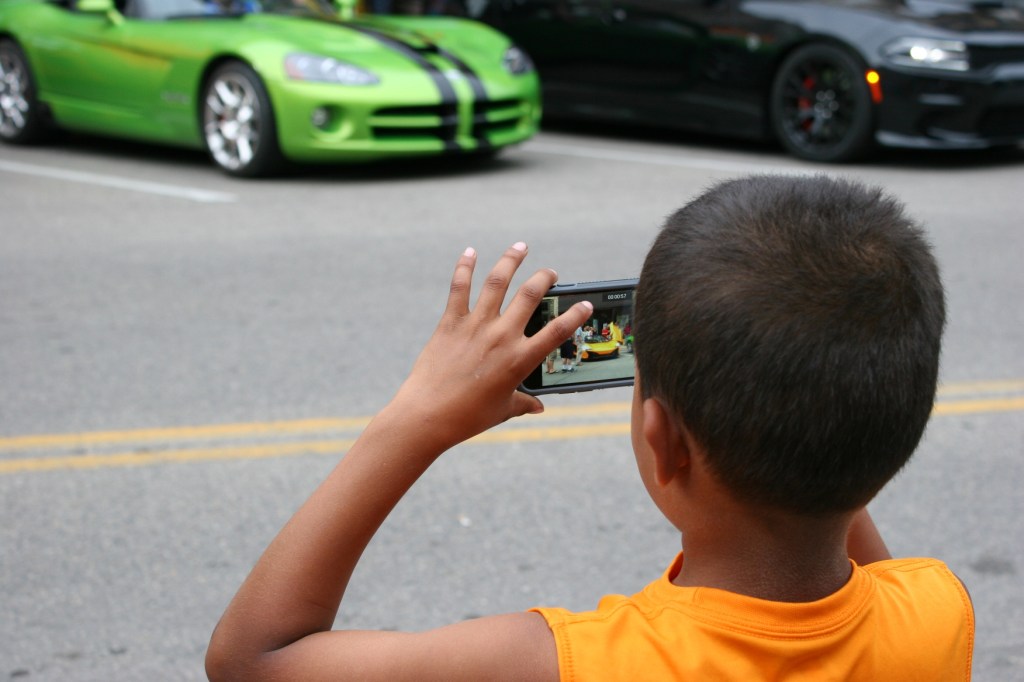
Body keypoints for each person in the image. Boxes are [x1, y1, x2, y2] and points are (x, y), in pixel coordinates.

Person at [206, 175, 973, 681]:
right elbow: (852, 522)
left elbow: (252, 659)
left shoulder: (555, 665)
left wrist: (418, 416)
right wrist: (816, 401)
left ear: (664, 440)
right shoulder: (938, 614)